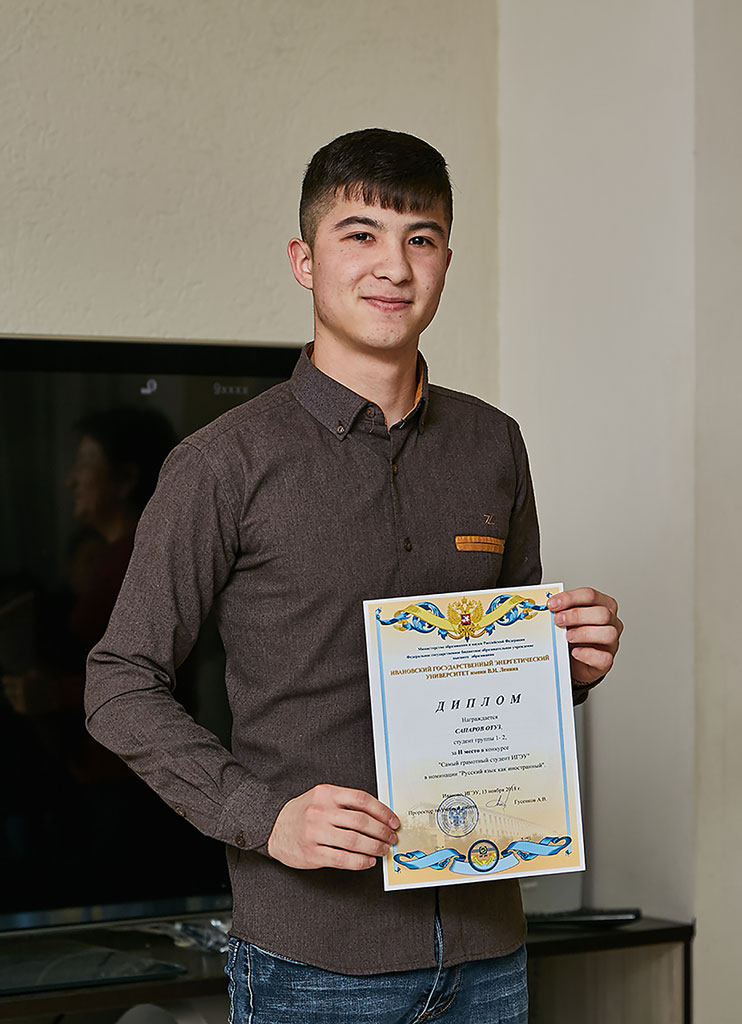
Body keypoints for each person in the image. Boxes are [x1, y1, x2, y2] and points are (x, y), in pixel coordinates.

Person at [85, 129, 622, 1023]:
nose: (394, 266)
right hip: (313, 960)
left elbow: (500, 678)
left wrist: (568, 666)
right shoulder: (223, 463)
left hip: (490, 949)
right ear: (305, 261)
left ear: (445, 262)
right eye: (360, 234)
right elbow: (117, 682)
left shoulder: (494, 443)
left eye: (421, 238)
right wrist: (263, 817)